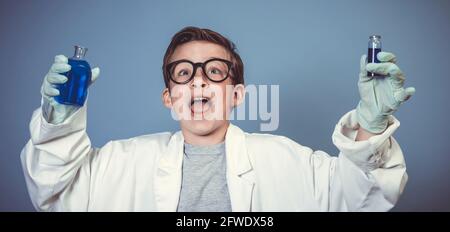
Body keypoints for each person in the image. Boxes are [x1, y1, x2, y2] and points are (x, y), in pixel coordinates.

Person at [20, 27, 415, 211]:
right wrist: (61, 119)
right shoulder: (117, 163)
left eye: (214, 71)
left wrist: (370, 123)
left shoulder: (290, 161)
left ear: (237, 95)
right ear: (168, 97)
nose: (197, 82)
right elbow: (52, 193)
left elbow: (363, 197)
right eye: (182, 72)